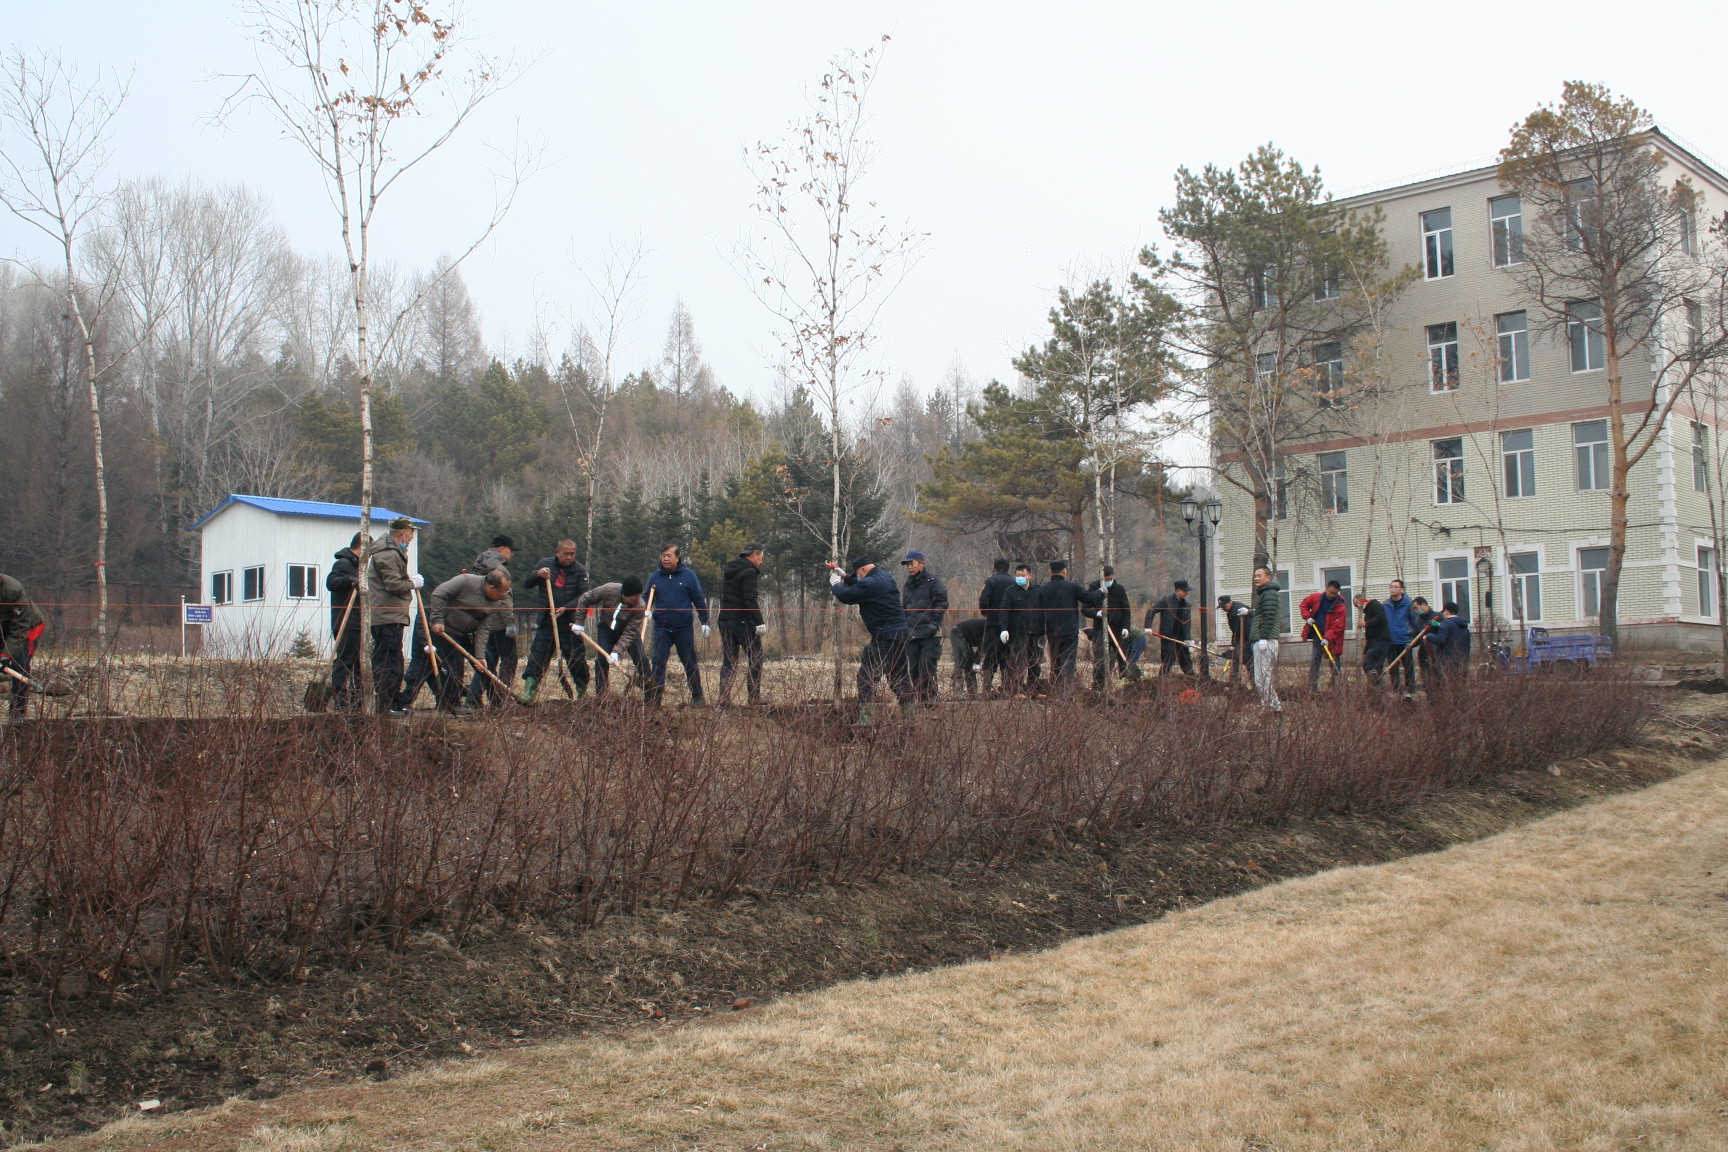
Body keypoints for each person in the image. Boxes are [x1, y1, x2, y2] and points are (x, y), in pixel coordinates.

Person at [393, 569, 512, 715]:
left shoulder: (496, 602)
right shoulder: (466, 581)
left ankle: (498, 703)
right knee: (447, 666)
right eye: (503, 591)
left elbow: (484, 628)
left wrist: (479, 656)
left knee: (486, 662)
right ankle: (447, 703)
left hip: (466, 632)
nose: (504, 595)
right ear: (491, 588)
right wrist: (437, 620)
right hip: (441, 628)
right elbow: (438, 594)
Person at [829, 556, 914, 721]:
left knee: (866, 676)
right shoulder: (885, 577)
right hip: (901, 634)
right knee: (899, 677)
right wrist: (847, 576)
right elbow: (863, 585)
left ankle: (866, 720)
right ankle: (909, 719)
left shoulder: (871, 583)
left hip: (885, 636)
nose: (859, 578)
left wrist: (836, 584)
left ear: (862, 570)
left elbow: (847, 596)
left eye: (858, 575)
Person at [519, 539, 589, 704]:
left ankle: (582, 692)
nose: (569, 557)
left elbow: (584, 596)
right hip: (547, 622)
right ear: (557, 552)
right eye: (566, 554)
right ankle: (529, 692)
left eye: (572, 554)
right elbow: (527, 583)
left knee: (576, 658)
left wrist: (567, 607)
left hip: (570, 623)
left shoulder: (580, 570)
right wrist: (538, 574)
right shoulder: (545, 565)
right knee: (538, 656)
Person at [366, 516, 422, 714]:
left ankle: (393, 702)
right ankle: (385, 705)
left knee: (395, 660)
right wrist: (412, 583)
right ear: (402, 533)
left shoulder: (395, 552)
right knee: (388, 661)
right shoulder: (388, 555)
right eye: (411, 533)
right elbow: (393, 585)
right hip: (386, 614)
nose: (412, 537)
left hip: (392, 614)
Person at [644, 544, 710, 707]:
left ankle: (698, 698)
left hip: (683, 628)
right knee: (658, 663)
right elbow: (646, 598)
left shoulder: (689, 576)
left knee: (690, 662)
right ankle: (655, 700)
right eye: (663, 555)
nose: (666, 559)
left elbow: (698, 598)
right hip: (661, 628)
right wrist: (645, 610)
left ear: (677, 558)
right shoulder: (655, 577)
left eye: (669, 556)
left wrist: (705, 621)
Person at [574, 575, 649, 694]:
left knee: (642, 659)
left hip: (628, 632)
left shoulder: (640, 606)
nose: (637, 598)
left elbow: (630, 632)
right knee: (601, 660)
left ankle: (650, 692)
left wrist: (617, 651)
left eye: (639, 595)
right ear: (625, 594)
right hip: (606, 629)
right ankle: (602, 695)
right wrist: (579, 622)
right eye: (634, 596)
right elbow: (585, 598)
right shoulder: (609, 590)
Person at [1036, 560, 1102, 692]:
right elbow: (1088, 598)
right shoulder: (1072, 586)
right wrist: (1100, 591)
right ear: (1064, 571)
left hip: (1052, 631)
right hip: (1069, 631)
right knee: (1069, 662)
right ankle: (1065, 692)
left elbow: (1036, 611)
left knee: (1055, 662)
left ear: (1051, 572)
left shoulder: (1043, 589)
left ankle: (1056, 689)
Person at [717, 544, 768, 707]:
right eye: (761, 558)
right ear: (754, 555)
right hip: (743, 621)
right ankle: (754, 698)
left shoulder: (730, 570)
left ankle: (723, 698)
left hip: (725, 618)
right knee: (756, 656)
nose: (761, 562)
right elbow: (750, 599)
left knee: (729, 659)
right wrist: (759, 622)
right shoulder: (749, 572)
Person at [471, 535, 519, 703]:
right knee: (510, 660)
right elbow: (504, 599)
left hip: (482, 622)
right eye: (510, 551)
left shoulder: (478, 565)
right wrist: (510, 623)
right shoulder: (501, 570)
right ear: (501, 549)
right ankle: (501, 697)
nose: (511, 555)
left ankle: (473, 698)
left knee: (486, 663)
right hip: (499, 624)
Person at [324, 532, 366, 711]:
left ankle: (358, 702)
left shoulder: (359, 567)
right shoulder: (343, 564)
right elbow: (331, 582)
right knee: (345, 660)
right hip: (346, 621)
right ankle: (341, 700)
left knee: (358, 663)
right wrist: (350, 581)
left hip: (358, 621)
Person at [900, 550, 949, 702]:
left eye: (912, 563)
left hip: (930, 634)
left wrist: (934, 623)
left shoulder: (934, 581)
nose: (909, 567)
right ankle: (919, 703)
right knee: (914, 672)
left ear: (921, 563)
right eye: (907, 564)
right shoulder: (908, 583)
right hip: (912, 634)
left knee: (927, 670)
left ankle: (930, 702)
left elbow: (942, 603)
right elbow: (905, 607)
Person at [0, 572, 45, 718]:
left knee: (19, 666)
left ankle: (17, 714)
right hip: (3, 628)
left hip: (27, 629)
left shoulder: (14, 590)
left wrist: (5, 656)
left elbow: (20, 630)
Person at [1085, 565, 1133, 689]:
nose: (1108, 581)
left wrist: (1126, 627)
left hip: (1118, 629)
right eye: (1105, 579)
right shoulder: (1094, 588)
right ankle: (1098, 687)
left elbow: (1126, 611)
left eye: (1110, 578)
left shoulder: (1119, 589)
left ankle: (1125, 685)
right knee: (1099, 659)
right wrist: (1097, 613)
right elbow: (1084, 609)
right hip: (1100, 628)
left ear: (1113, 577)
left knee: (1123, 657)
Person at [976, 559, 1018, 694]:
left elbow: (983, 600)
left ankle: (986, 690)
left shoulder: (991, 581)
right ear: (1008, 569)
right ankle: (1007, 689)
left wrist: (985, 611)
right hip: (1010, 627)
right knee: (1007, 657)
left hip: (993, 624)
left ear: (995, 568)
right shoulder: (1014, 583)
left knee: (990, 657)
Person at [1300, 580, 1347, 690]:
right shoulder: (1316, 598)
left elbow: (1337, 626)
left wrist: (1327, 638)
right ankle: (1312, 687)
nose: (1331, 595)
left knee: (1334, 660)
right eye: (1330, 592)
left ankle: (1336, 687)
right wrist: (1308, 617)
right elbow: (1304, 605)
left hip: (1333, 638)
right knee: (1315, 660)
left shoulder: (1340, 607)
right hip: (1317, 633)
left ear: (1338, 593)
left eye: (1334, 593)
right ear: (1326, 589)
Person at [1248, 567, 1283, 711]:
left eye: (1259, 576)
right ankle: (1271, 706)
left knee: (1261, 678)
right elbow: (1265, 612)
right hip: (1266, 639)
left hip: (1266, 641)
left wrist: (1263, 638)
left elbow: (1269, 617)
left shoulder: (1269, 594)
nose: (1256, 578)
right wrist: (1250, 612)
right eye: (1255, 576)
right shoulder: (1267, 594)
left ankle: (1273, 708)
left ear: (1268, 577)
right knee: (1263, 677)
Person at [1146, 580, 1195, 677]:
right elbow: (1151, 611)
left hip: (1181, 636)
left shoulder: (1187, 605)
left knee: (1185, 658)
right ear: (1178, 590)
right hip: (1168, 635)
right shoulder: (1166, 601)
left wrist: (1188, 638)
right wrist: (1147, 627)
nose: (1186, 593)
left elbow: (1187, 623)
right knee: (1168, 658)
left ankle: (1191, 678)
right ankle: (1162, 679)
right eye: (1185, 591)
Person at [1384, 579, 1419, 695]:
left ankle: (1410, 692)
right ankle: (1396, 691)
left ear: (1401, 589)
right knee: (1393, 667)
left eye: (1395, 587)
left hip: (1404, 640)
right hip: (1391, 641)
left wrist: (1412, 638)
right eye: (1391, 587)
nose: (1392, 589)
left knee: (1408, 667)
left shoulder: (1409, 604)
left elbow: (1415, 622)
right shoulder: (1386, 605)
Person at [1429, 601, 1472, 690]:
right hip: (1462, 661)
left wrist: (1428, 636)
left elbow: (1440, 639)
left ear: (1447, 612)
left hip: (1448, 662)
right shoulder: (1463, 625)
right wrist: (1439, 625)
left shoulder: (1446, 623)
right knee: (1460, 688)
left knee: (1448, 688)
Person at [1356, 592, 1391, 685]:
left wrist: (1366, 623)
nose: (1358, 608)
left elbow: (1380, 618)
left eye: (1357, 605)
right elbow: (1369, 635)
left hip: (1381, 639)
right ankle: (1377, 687)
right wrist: (1365, 650)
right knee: (1373, 664)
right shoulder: (1367, 613)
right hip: (1374, 640)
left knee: (1370, 660)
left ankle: (1375, 680)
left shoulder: (1375, 605)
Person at [949, 616, 989, 697]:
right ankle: (957, 694)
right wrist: (976, 666)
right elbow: (981, 651)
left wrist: (975, 666)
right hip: (958, 633)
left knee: (970, 665)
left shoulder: (991, 629)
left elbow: (980, 651)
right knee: (961, 662)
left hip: (967, 639)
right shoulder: (990, 631)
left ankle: (973, 694)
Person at [1409, 596, 1438, 698]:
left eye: (1417, 608)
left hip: (1436, 653)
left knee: (1438, 678)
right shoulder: (1418, 620)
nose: (1416, 611)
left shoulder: (1437, 617)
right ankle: (1430, 700)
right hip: (1424, 653)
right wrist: (1410, 642)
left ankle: (1440, 700)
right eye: (1415, 609)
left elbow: (1444, 633)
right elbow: (1416, 636)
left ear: (1424, 605)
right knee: (1426, 678)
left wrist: (1436, 624)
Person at [1217, 593, 1251, 684]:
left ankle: (1235, 684)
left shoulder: (1236, 612)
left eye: (1224, 606)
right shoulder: (1233, 609)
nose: (1223, 608)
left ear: (1229, 603)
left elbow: (1239, 631)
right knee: (1247, 662)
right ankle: (1241, 683)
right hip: (1244, 638)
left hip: (1248, 639)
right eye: (1221, 607)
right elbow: (1236, 631)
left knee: (1237, 659)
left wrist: (1236, 647)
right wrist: (1233, 645)